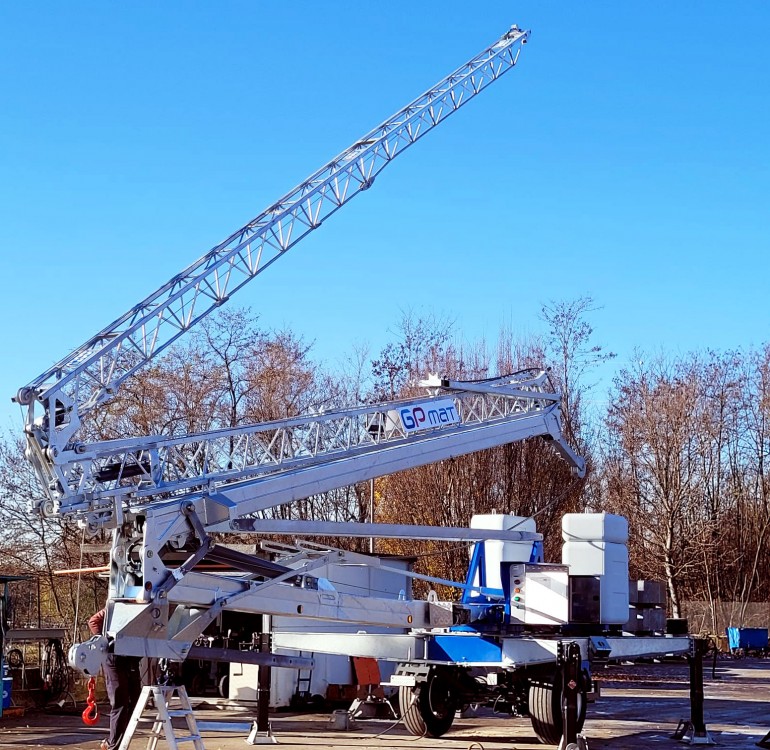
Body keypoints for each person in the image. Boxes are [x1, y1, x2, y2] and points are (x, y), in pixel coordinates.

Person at [88, 608, 142, 750]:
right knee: (120, 701)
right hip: (114, 657)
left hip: (131, 657)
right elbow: (93, 621)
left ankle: (119, 740)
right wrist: (105, 642)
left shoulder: (145, 611)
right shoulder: (116, 607)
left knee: (136, 700)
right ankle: (114, 745)